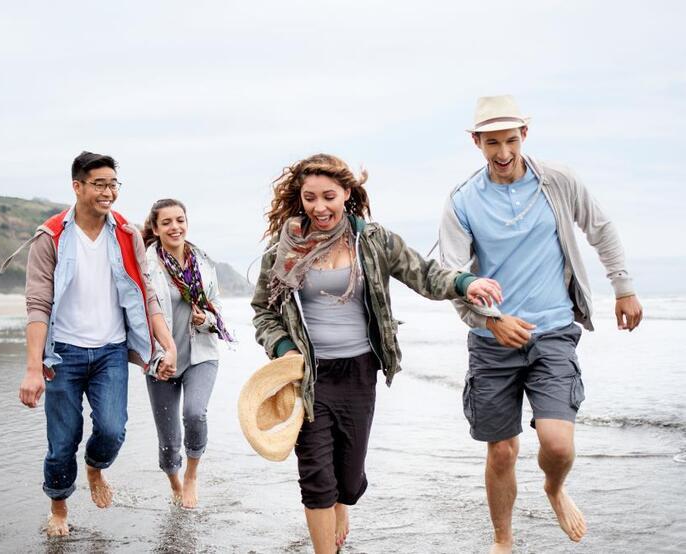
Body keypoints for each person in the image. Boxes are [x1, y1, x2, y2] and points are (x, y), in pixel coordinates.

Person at [252, 153, 503, 554]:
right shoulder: (286, 247)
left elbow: (424, 273)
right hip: (307, 375)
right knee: (316, 475)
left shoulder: (373, 240)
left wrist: (465, 283)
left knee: (348, 480)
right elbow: (264, 309)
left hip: (359, 372)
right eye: (310, 198)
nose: (319, 207)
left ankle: (342, 503)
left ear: (347, 194)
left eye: (329, 196)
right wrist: (284, 350)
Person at [438, 95, 644, 553]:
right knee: (502, 450)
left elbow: (601, 228)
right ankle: (503, 541)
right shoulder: (463, 200)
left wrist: (623, 287)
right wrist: (491, 322)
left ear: (524, 136)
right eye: (492, 143)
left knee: (558, 445)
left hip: (553, 331)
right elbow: (450, 276)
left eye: (511, 140)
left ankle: (554, 487)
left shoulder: (558, 181)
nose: (503, 153)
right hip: (491, 342)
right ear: (477, 142)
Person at [15, 151, 177, 536]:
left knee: (112, 429)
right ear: (78, 186)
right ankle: (58, 507)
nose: (108, 192)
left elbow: (146, 294)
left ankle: (94, 468)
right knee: (61, 441)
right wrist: (33, 368)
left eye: (113, 184)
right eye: (100, 184)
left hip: (110, 352)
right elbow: (38, 305)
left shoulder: (126, 234)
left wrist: (166, 346)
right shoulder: (51, 236)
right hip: (64, 353)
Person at [141, 198, 233, 508]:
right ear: (155, 228)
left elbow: (217, 308)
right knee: (168, 441)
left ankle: (192, 475)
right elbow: (138, 314)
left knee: (195, 413)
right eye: (166, 222)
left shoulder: (203, 262)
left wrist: (205, 319)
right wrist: (153, 357)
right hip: (161, 360)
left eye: (180, 220)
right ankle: (175, 482)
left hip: (201, 354)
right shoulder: (146, 265)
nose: (175, 227)